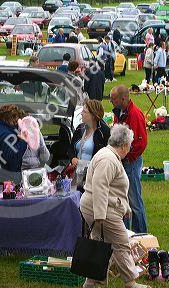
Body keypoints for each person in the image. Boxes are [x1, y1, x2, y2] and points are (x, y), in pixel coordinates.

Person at [80, 124, 150, 288]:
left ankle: (91, 282)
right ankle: (130, 282)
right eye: (130, 145)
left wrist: (124, 208)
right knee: (121, 243)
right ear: (124, 145)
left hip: (101, 208)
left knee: (102, 246)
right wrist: (100, 216)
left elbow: (112, 190)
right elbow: (100, 187)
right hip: (102, 211)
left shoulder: (108, 156)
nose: (130, 148)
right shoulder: (108, 159)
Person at [111, 85, 148, 233]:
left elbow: (141, 142)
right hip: (123, 160)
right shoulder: (120, 112)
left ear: (123, 98)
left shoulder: (135, 114)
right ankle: (126, 233)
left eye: (114, 99)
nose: (111, 101)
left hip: (131, 162)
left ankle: (142, 234)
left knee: (135, 201)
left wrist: (127, 157)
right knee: (123, 200)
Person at [69, 99, 110, 190]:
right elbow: (70, 148)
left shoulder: (104, 132)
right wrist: (72, 158)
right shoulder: (80, 128)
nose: (81, 114)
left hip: (95, 177)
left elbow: (108, 156)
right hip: (77, 175)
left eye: (84, 111)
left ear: (93, 115)